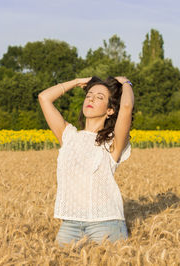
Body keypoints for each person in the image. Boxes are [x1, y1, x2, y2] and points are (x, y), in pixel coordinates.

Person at [38, 76, 134, 247]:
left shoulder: (113, 142)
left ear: (110, 110)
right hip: (70, 225)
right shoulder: (69, 136)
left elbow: (126, 107)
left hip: (106, 224)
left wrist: (126, 83)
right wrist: (75, 82)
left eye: (99, 97)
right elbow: (44, 98)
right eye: (89, 95)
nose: (91, 99)